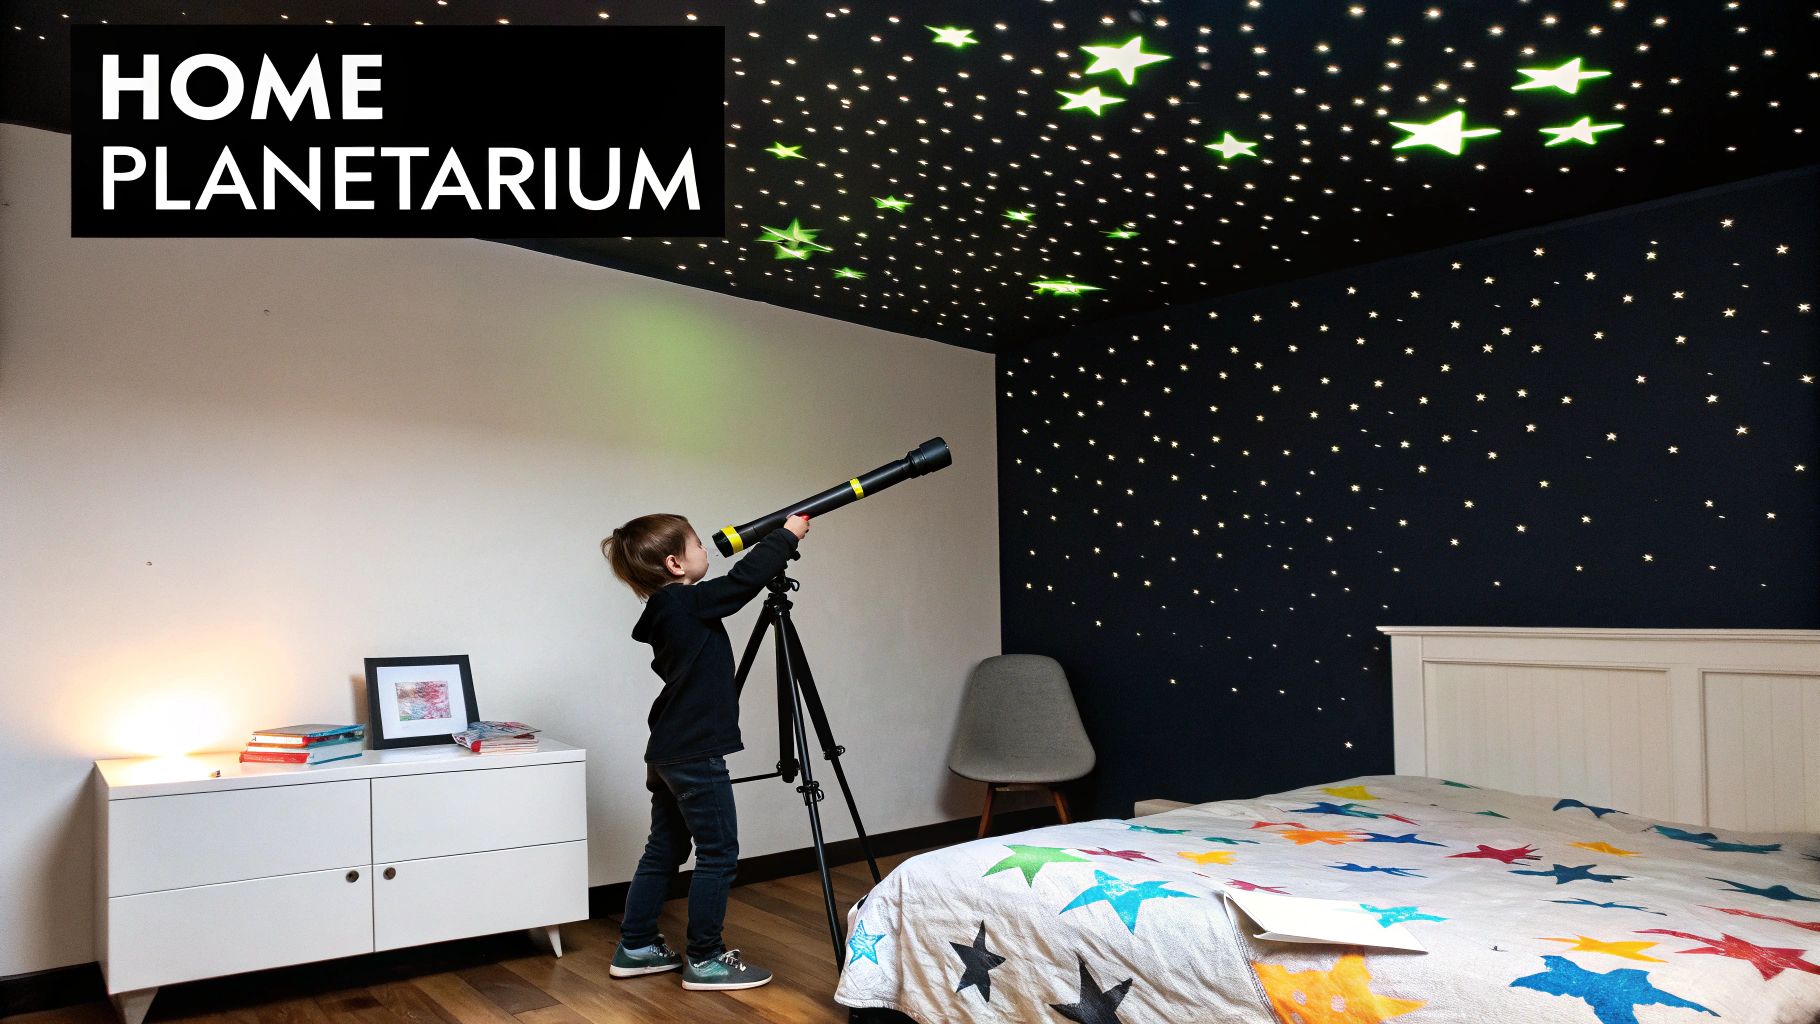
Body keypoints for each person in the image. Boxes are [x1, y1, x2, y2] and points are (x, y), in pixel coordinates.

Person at [599, 510, 810, 991]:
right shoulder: (683, 602)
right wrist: (785, 537)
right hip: (693, 752)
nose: (705, 549)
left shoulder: (668, 611)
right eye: (696, 543)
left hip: (668, 750)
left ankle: (636, 947)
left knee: (664, 849)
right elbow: (740, 584)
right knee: (718, 854)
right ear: (675, 564)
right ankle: (706, 959)